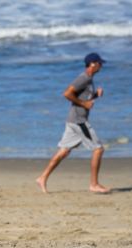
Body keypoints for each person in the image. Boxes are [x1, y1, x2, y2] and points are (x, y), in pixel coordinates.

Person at [36, 53, 111, 194]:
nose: (101, 66)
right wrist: (84, 103)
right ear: (93, 64)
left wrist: (95, 96)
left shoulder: (89, 79)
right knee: (98, 149)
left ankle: (42, 178)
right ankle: (94, 184)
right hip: (79, 121)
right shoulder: (83, 79)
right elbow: (67, 94)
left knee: (64, 151)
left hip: (73, 120)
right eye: (100, 63)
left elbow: (84, 99)